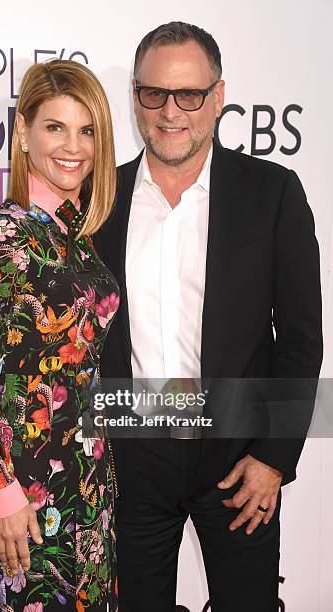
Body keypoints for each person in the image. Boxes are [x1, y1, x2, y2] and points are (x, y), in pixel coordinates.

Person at [93, 21, 323, 612]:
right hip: (132, 456)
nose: (172, 112)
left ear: (217, 98)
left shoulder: (273, 194)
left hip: (239, 460)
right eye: (154, 94)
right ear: (136, 97)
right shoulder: (98, 201)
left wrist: (274, 456)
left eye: (189, 95)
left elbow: (300, 339)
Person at [0, 59, 119, 611]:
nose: (74, 146)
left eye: (86, 130)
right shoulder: (2, 235)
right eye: (55, 127)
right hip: (21, 497)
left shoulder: (78, 240)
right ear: (23, 132)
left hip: (83, 490)